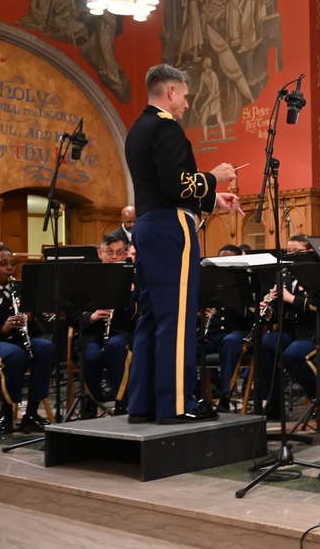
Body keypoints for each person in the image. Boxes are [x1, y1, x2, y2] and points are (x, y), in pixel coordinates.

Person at [124, 63, 241, 424]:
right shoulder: (166, 128)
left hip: (147, 224)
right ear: (171, 91)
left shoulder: (137, 130)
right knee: (176, 317)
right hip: (171, 226)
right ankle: (176, 404)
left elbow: (161, 184)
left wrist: (211, 197)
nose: (187, 104)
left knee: (151, 315)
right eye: (186, 96)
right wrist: (214, 177)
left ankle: (143, 404)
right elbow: (177, 185)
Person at [259, 234, 320, 419]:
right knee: (265, 344)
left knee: (294, 354)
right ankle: (274, 402)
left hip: (319, 331)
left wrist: (291, 298)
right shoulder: (285, 274)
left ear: (310, 252)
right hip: (293, 330)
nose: (291, 255)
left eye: (297, 252)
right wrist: (270, 311)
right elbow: (282, 310)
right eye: (289, 251)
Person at [0, 246, 55, 434]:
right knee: (15, 355)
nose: (9, 268)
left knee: (45, 348)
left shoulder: (21, 290)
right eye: (3, 264)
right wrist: (1, 329)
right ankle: (6, 412)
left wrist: (30, 319)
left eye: (13, 264)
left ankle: (30, 414)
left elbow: (41, 327)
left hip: (16, 342)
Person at [74, 237, 136, 419]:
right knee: (91, 356)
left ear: (125, 255)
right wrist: (91, 317)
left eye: (119, 253)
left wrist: (120, 307)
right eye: (110, 252)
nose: (114, 257)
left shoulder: (133, 277)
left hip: (121, 333)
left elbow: (139, 311)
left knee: (116, 348)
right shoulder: (87, 278)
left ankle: (122, 402)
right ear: (101, 254)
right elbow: (71, 314)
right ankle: (93, 401)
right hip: (93, 334)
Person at [201, 244, 251, 411]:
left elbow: (252, 315)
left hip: (238, 332)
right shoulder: (211, 283)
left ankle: (225, 397)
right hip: (214, 333)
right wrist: (201, 313)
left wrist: (232, 300)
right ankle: (195, 395)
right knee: (189, 345)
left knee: (230, 342)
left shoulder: (248, 283)